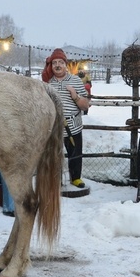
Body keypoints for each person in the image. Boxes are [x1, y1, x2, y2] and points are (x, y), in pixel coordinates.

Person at [43, 48, 89, 188]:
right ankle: (56, 180)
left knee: (75, 153)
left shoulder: (75, 80)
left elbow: (85, 106)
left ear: (65, 64)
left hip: (73, 125)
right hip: (53, 126)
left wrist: (75, 95)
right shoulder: (47, 83)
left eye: (60, 62)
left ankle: (75, 178)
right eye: (54, 63)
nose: (57, 65)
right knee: (53, 155)